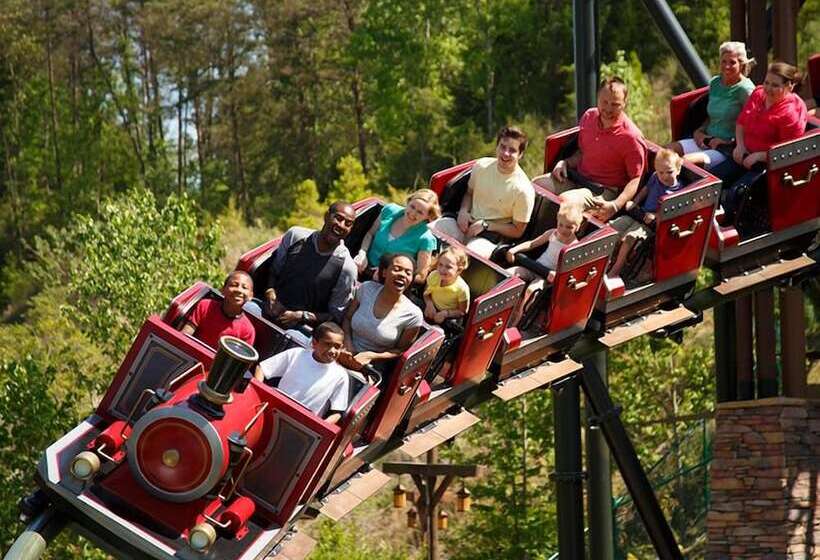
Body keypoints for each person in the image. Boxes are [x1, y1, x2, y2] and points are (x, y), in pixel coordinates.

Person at [710, 62, 808, 223]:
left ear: (790, 86)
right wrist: (740, 146)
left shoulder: (790, 114)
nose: (768, 89)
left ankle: (732, 231)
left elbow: (786, 152)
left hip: (768, 165)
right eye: (767, 83)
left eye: (775, 85)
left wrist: (759, 156)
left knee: (737, 193)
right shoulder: (758, 94)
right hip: (744, 153)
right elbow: (741, 123)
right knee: (713, 180)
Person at [541, 77, 646, 223]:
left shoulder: (631, 137)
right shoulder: (589, 117)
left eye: (615, 104)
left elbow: (636, 178)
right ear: (597, 99)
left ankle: (549, 241)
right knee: (538, 186)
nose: (608, 109)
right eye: (604, 102)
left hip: (603, 191)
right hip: (578, 178)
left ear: (624, 104)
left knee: (568, 202)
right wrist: (565, 162)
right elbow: (583, 153)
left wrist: (615, 206)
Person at [432, 126, 535, 258]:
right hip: (465, 224)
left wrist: (486, 225)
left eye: (512, 150)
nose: (506, 153)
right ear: (497, 147)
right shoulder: (481, 166)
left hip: (490, 237)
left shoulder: (523, 189)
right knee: (429, 233)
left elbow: (517, 230)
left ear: (520, 155)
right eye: (503, 147)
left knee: (464, 257)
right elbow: (469, 193)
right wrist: (464, 211)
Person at [255, 202, 358, 329]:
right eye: (338, 218)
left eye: (348, 223)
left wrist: (301, 316)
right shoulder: (295, 236)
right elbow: (274, 270)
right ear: (326, 216)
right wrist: (270, 293)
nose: (341, 226)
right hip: (269, 308)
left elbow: (335, 315)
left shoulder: (347, 268)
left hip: (301, 330)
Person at [669, 41, 755, 169]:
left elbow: (752, 125)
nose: (727, 66)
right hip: (707, 139)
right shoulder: (715, 83)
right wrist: (700, 132)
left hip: (725, 148)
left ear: (741, 64)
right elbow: (712, 116)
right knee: (667, 153)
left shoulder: (745, 90)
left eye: (732, 62)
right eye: (724, 62)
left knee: (684, 163)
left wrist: (729, 142)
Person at [341, 253, 424, 372]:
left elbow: (400, 350)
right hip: (343, 350)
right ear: (384, 272)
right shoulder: (366, 288)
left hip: (372, 368)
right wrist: (347, 343)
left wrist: (371, 356)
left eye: (408, 273)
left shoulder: (414, 315)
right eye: (397, 269)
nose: (402, 275)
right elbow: (347, 318)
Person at [254, 322, 350, 424]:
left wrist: (320, 426)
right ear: (314, 343)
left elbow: (337, 412)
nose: (332, 350)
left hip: (302, 426)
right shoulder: (296, 354)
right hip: (272, 410)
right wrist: (260, 396)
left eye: (337, 346)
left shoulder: (340, 375)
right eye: (327, 344)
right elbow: (262, 369)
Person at [608, 149, 684, 278]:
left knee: (630, 237)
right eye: (661, 172)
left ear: (678, 170)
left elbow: (672, 212)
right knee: (612, 228)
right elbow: (646, 189)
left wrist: (655, 216)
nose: (664, 176)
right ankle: (606, 262)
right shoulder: (655, 177)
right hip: (638, 214)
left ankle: (616, 269)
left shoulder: (678, 192)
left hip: (649, 224)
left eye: (669, 172)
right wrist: (635, 202)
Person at [504, 203, 582, 326]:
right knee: (509, 274)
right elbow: (532, 244)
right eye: (560, 225)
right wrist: (514, 250)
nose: (563, 229)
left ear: (577, 227)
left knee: (531, 290)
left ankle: (518, 319)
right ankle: (504, 308)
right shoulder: (552, 233)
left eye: (568, 227)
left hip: (546, 276)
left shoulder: (573, 247)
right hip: (536, 267)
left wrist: (557, 275)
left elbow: (571, 270)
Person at [354, 189, 440, 284]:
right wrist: (362, 253)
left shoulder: (426, 239)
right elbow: (370, 233)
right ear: (408, 202)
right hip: (362, 267)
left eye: (420, 212)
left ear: (428, 216)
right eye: (412, 207)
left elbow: (421, 276)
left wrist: (391, 276)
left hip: (388, 283)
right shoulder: (389, 210)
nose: (413, 213)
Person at [181, 271, 256, 348]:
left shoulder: (248, 330)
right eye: (234, 285)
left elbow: (238, 359)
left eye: (244, 287)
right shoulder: (205, 306)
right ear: (222, 290)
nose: (239, 290)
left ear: (250, 296)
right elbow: (185, 334)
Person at [423, 246, 470, 325]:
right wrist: (429, 304)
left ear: (459, 270)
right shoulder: (434, 275)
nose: (442, 269)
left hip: (450, 316)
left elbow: (462, 311)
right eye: (440, 265)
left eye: (448, 267)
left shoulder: (462, 289)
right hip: (433, 307)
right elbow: (426, 293)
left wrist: (445, 314)